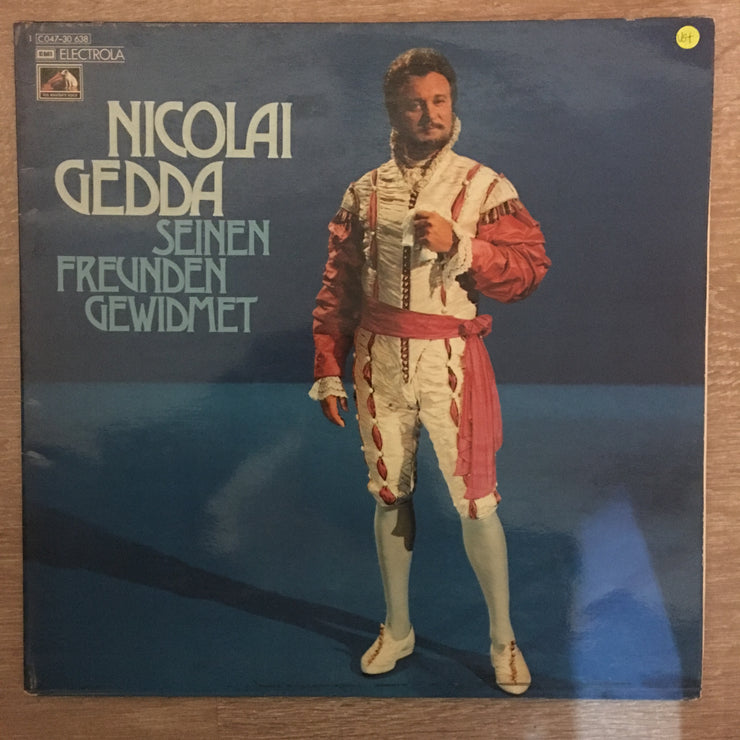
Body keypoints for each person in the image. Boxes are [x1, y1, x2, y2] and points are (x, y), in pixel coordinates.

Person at [310, 48, 550, 695]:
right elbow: (338, 289)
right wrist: (329, 366)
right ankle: (398, 628)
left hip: (451, 363)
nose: (429, 114)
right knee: (389, 492)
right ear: (394, 110)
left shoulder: (485, 187)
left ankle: (502, 640)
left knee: (476, 503)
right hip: (377, 361)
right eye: (415, 103)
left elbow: (529, 270)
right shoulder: (363, 192)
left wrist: (462, 246)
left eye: (439, 101)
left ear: (453, 106)